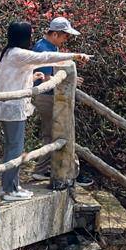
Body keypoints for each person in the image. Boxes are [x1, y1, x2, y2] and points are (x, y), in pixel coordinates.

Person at [0, 20, 90, 201]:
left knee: (13, 147)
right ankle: (10, 190)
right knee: (15, 148)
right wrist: (76, 55)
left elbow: (13, 77)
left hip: (8, 107)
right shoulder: (18, 53)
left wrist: (31, 77)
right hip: (13, 108)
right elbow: (45, 57)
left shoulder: (8, 53)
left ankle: (13, 185)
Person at [32, 17, 80, 190]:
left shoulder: (51, 47)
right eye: (64, 36)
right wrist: (68, 80)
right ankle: (64, 170)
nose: (65, 39)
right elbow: (44, 76)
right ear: (54, 34)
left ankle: (44, 169)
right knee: (56, 132)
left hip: (50, 95)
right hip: (46, 96)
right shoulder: (43, 49)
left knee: (51, 132)